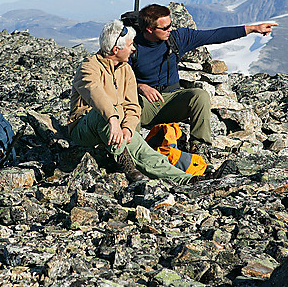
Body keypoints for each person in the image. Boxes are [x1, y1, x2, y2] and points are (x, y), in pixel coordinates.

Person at [68, 19, 235, 183]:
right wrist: (112, 119)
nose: (133, 49)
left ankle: (187, 180)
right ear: (115, 49)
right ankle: (126, 165)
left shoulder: (126, 69)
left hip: (117, 125)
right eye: (129, 46)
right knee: (110, 112)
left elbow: (132, 106)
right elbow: (94, 92)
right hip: (83, 128)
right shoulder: (89, 67)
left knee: (144, 151)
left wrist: (127, 128)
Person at [132, 4, 277, 153]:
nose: (170, 29)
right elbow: (116, 79)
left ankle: (200, 148)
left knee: (200, 95)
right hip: (144, 104)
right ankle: (133, 152)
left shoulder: (176, 39)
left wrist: (252, 29)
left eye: (171, 25)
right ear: (149, 29)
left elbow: (213, 35)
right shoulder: (132, 47)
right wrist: (140, 87)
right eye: (165, 27)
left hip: (172, 100)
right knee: (130, 105)